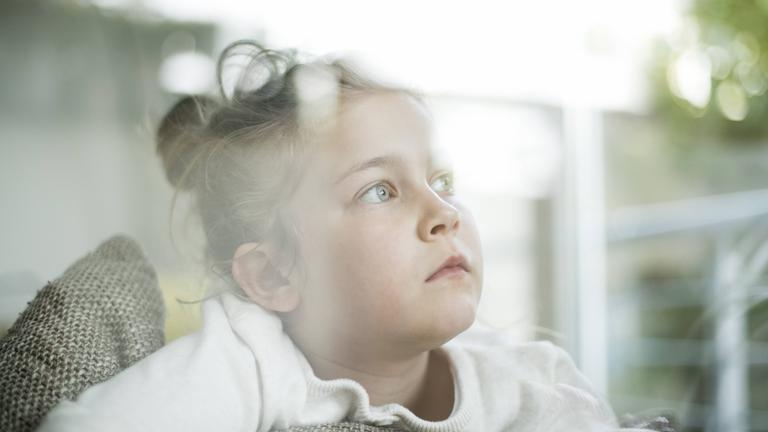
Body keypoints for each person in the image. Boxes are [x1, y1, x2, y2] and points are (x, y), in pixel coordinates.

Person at [39, 41, 649, 432]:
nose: (443, 211)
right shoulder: (250, 358)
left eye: (441, 180)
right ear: (277, 274)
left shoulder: (534, 384)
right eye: (379, 190)